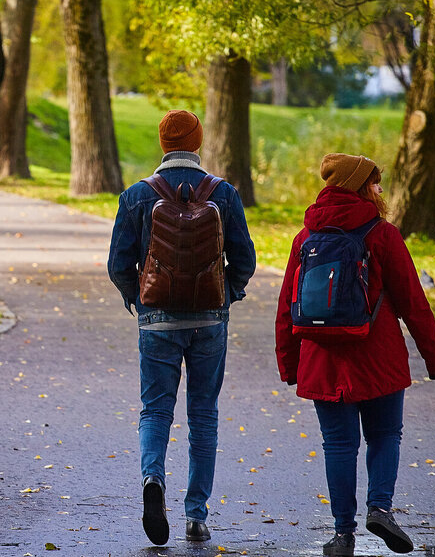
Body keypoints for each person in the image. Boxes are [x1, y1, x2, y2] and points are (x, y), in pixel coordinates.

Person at [275, 154, 435, 557]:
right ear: (359, 186)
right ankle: (381, 509)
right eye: (375, 182)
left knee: (339, 444)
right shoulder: (382, 234)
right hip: (378, 356)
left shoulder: (305, 238)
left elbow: (287, 307)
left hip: (322, 361)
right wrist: (434, 360)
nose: (380, 190)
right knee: (385, 435)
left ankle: (342, 535)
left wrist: (289, 365)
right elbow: (413, 303)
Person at [108, 109, 257, 545]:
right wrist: (227, 293)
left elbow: (119, 265)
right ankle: (196, 515)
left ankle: (153, 479)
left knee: (155, 410)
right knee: (203, 415)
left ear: (162, 144)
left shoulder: (137, 195)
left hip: (156, 320)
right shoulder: (223, 194)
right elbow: (245, 260)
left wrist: (137, 298)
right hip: (210, 319)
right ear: (198, 142)